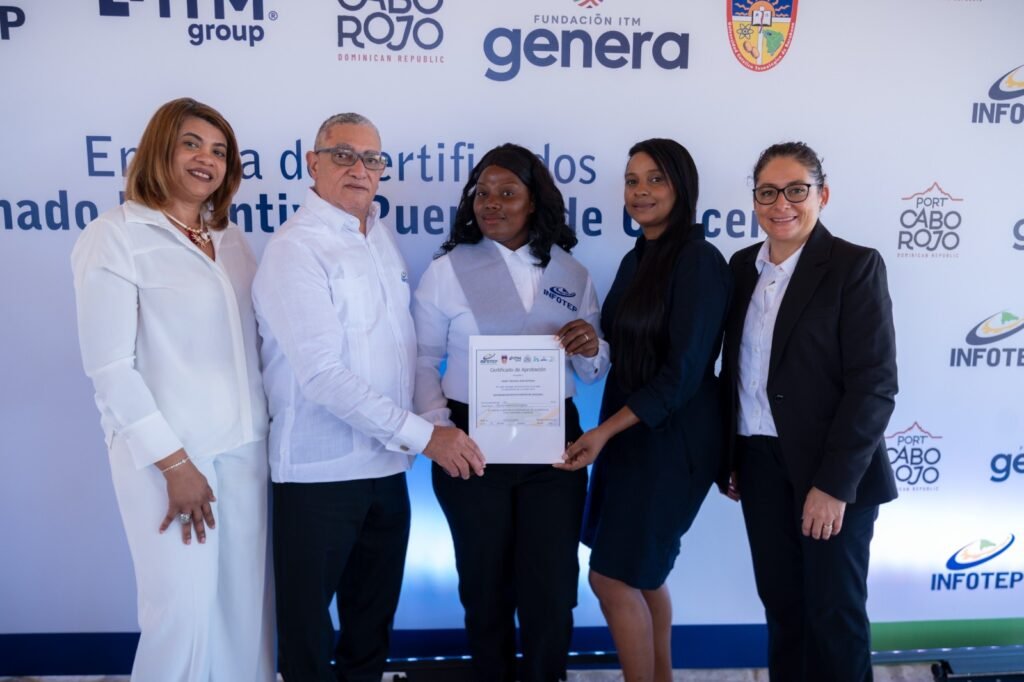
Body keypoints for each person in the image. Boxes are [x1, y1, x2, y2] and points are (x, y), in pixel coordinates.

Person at [252, 112, 485, 682]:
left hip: (386, 471)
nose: (360, 169)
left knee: (371, 626)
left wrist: (429, 419)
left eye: (372, 159)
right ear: (312, 163)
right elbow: (324, 376)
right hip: (318, 477)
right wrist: (428, 435)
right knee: (307, 636)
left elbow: (398, 349)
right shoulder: (295, 250)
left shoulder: (377, 234)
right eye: (343, 155)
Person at [70, 97, 274, 681]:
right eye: (192, 144)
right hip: (169, 461)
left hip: (246, 451)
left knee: (243, 616)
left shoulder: (230, 240)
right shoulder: (115, 236)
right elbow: (109, 370)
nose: (207, 159)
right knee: (180, 617)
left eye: (219, 150)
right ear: (161, 148)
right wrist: (175, 463)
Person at [412, 143, 610, 682]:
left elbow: (593, 368)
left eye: (507, 192)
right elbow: (422, 360)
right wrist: (439, 431)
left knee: (550, 587)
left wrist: (592, 348)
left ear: (534, 202)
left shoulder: (572, 274)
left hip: (554, 445)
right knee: (484, 585)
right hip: (470, 440)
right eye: (483, 193)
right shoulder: (446, 271)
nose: (491, 203)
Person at [717, 141, 898, 681]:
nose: (782, 204)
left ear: (822, 194)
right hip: (759, 464)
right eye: (768, 192)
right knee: (785, 612)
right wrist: (729, 453)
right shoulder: (740, 268)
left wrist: (835, 484)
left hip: (831, 474)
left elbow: (874, 384)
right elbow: (739, 371)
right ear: (754, 200)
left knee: (833, 617)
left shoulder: (853, 265)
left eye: (797, 190)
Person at [560, 138, 731, 681]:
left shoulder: (700, 261)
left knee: (612, 578)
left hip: (674, 440)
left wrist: (603, 432)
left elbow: (681, 374)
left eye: (655, 179)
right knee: (645, 576)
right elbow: (622, 344)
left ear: (682, 186)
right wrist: (591, 340)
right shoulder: (638, 258)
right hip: (630, 433)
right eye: (632, 181)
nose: (641, 191)